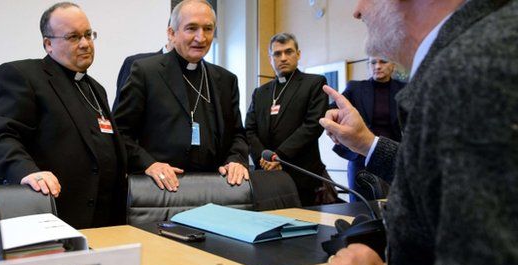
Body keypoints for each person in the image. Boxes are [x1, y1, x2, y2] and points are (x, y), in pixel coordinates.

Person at [320, 0, 518, 265]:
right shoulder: (489, 45)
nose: (357, 10)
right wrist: (367, 143)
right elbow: (448, 177)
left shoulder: (472, 71)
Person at [0, 2, 127, 229]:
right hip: (50, 215)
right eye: (73, 37)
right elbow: (1, 139)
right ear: (48, 44)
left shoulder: (95, 88)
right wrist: (28, 172)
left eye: (88, 35)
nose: (85, 44)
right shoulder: (22, 76)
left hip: (103, 221)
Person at [114, 0, 249, 192]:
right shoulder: (146, 71)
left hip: (214, 187)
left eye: (208, 29)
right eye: (191, 28)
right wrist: (149, 164)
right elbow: (121, 133)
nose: (200, 38)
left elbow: (237, 134)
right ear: (172, 33)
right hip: (160, 190)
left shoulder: (226, 80)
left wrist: (236, 160)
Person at [245, 32, 333, 206]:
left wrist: (279, 157)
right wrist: (264, 159)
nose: (283, 58)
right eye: (277, 54)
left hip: (301, 175)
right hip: (265, 176)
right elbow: (249, 130)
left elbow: (313, 125)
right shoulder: (261, 93)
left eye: (288, 52)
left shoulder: (314, 83)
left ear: (298, 54)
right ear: (270, 59)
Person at [332, 57, 405, 201]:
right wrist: (333, 116)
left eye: (383, 62)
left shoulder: (403, 89)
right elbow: (334, 109)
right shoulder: (355, 88)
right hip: (361, 157)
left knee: (395, 205)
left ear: (393, 65)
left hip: (393, 156)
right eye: (373, 62)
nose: (377, 66)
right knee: (359, 206)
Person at [112, 39, 173, 112]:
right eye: (189, 29)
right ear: (171, 33)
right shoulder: (136, 63)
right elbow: (121, 114)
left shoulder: (189, 67)